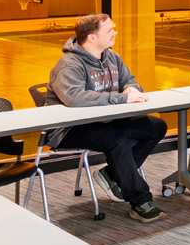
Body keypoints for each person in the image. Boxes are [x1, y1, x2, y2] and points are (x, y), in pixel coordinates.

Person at [50, 13, 166, 222]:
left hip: (105, 121)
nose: (115, 33)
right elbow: (74, 98)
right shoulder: (69, 64)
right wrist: (121, 98)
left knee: (156, 126)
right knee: (117, 141)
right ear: (92, 37)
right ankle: (140, 200)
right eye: (110, 30)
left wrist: (130, 89)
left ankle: (112, 175)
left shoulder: (112, 57)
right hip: (69, 128)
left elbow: (129, 81)